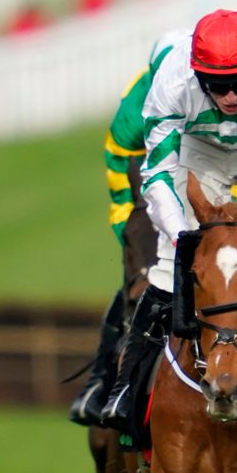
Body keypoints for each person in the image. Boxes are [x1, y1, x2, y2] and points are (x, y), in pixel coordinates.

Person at [99, 10, 237, 432]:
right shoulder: (172, 81)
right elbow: (157, 173)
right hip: (197, 154)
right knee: (166, 268)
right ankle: (124, 390)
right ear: (199, 77)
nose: (232, 96)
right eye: (219, 86)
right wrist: (183, 236)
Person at [68, 29, 189, 427]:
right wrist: (130, 233)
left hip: (204, 175)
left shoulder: (202, 90)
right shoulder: (134, 110)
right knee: (139, 281)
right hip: (146, 189)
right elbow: (123, 182)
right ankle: (102, 383)